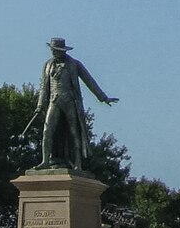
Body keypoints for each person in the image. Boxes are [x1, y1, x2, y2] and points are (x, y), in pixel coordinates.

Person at [22, 37, 117, 171]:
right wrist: (39, 104)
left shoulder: (74, 64)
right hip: (54, 101)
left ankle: (78, 163)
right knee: (47, 130)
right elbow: (44, 86)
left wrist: (103, 97)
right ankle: (45, 161)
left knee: (74, 132)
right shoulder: (48, 64)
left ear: (62, 51)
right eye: (52, 50)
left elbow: (89, 80)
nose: (53, 53)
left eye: (56, 50)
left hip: (70, 101)